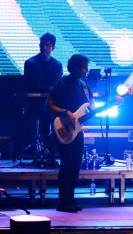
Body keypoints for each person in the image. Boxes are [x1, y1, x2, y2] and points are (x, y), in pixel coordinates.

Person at [47, 54, 95, 212]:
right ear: (75, 67)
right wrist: (65, 112)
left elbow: (91, 108)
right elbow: (50, 104)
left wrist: (114, 102)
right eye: (84, 67)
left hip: (77, 130)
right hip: (62, 128)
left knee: (75, 165)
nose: (86, 70)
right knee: (66, 164)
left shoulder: (84, 85)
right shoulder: (62, 83)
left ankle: (70, 199)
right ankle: (63, 201)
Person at [23, 32, 63, 165]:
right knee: (46, 120)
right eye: (43, 44)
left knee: (57, 120)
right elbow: (30, 85)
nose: (45, 47)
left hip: (52, 103)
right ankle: (48, 153)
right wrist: (48, 89)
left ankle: (52, 153)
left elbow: (57, 85)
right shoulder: (31, 63)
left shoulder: (57, 65)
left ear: (53, 47)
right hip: (36, 103)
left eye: (48, 45)